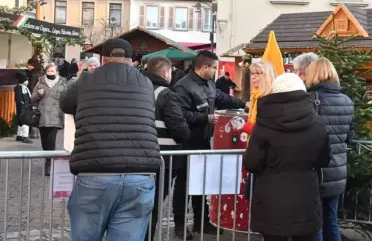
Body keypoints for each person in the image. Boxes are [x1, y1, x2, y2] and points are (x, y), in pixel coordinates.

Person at [59, 39, 161, 241]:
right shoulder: (146, 83)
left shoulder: (86, 80)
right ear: (131, 60)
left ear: (103, 59)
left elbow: (64, 104)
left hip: (95, 172)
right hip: (140, 174)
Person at [244, 73, 330, 241]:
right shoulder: (318, 123)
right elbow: (324, 160)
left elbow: (252, 162)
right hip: (305, 198)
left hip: (271, 199)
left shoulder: (263, 124)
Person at [173, 50, 246, 239]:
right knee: (184, 185)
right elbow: (179, 114)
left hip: (204, 141)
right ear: (204, 67)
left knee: (201, 183)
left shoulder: (209, 84)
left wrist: (243, 103)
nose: (216, 71)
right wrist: (206, 117)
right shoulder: (183, 86)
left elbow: (221, 97)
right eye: (214, 68)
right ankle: (180, 226)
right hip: (187, 142)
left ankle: (201, 222)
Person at [305, 58, 354, 241]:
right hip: (338, 169)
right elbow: (350, 136)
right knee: (331, 219)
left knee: (314, 221)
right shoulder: (347, 101)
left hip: (316, 171)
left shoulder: (309, 100)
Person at [142, 56, 190, 241]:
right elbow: (179, 128)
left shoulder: (136, 89)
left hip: (138, 155)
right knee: (153, 204)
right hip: (163, 158)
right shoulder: (166, 94)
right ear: (165, 73)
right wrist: (186, 134)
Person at [32, 63, 66, 175]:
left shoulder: (63, 83)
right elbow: (32, 99)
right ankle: (47, 158)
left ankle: (49, 164)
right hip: (42, 116)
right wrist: (38, 94)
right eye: (49, 71)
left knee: (51, 141)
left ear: (57, 72)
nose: (50, 73)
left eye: (52, 71)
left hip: (56, 116)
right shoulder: (40, 82)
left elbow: (68, 98)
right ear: (46, 72)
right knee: (44, 142)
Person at [14, 73, 33, 144]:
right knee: (25, 120)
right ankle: (25, 136)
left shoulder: (24, 87)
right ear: (23, 81)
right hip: (23, 107)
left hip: (25, 106)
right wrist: (23, 104)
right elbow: (18, 98)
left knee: (21, 121)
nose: (28, 82)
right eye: (26, 80)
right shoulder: (19, 87)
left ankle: (19, 135)